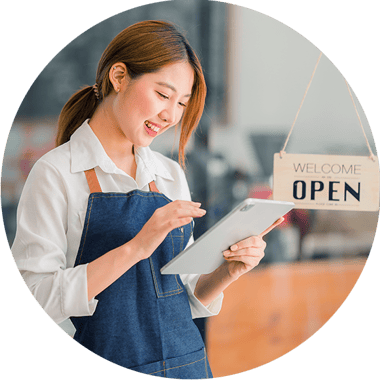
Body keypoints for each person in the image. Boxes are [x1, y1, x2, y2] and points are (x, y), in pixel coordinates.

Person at [11, 21, 283, 378]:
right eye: (163, 95)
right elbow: (34, 296)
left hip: (188, 365)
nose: (171, 115)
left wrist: (227, 271)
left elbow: (180, 296)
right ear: (119, 77)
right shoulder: (56, 173)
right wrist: (136, 248)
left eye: (182, 103)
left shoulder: (169, 174)